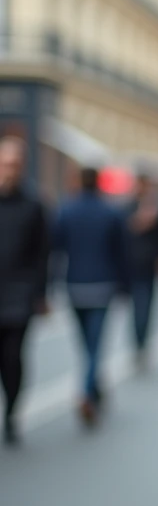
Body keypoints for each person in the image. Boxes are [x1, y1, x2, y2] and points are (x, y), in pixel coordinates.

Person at [54, 167, 128, 427]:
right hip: (103, 285)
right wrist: (124, 286)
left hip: (75, 284)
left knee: (85, 342)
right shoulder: (111, 212)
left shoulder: (66, 210)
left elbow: (56, 247)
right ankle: (88, 391)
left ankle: (91, 388)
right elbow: (121, 251)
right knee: (95, 344)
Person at [0, 138, 49, 446]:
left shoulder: (33, 205)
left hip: (19, 295)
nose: (10, 170)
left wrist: (40, 293)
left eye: (15, 164)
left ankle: (11, 413)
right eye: (6, 163)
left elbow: (42, 253)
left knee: (13, 358)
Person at [124, 174, 158, 372]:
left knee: (146, 307)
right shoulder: (128, 208)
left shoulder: (157, 208)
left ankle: (142, 344)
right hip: (132, 265)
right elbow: (122, 231)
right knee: (136, 307)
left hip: (149, 265)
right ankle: (137, 343)